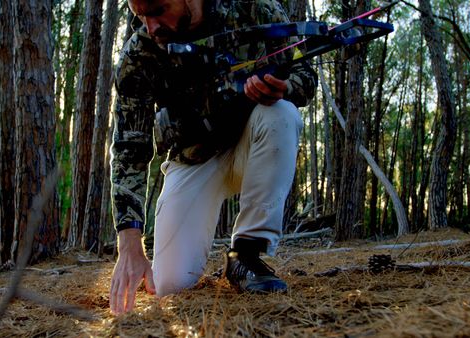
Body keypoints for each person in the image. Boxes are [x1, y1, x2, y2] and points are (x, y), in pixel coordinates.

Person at [109, 0, 317, 315]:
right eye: (140, 15)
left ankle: (246, 255)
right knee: (171, 284)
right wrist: (129, 245)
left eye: (158, 10)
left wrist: (283, 88)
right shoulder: (140, 53)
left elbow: (304, 73)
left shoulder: (254, 9)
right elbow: (129, 145)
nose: (150, 26)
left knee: (281, 115)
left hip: (254, 142)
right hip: (192, 161)